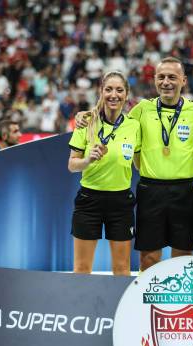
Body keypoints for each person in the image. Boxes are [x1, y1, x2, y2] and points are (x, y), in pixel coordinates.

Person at [75, 57, 193, 271]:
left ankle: (176, 303)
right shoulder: (142, 109)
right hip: (150, 190)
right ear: (154, 80)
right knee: (149, 258)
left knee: (183, 258)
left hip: (185, 191)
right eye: (161, 77)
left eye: (172, 77)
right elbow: (114, 118)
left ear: (183, 80)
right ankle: (150, 304)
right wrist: (85, 114)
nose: (166, 82)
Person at [67, 71, 141, 275]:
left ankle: (118, 308)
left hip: (121, 203)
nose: (113, 95)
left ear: (126, 94)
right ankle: (80, 308)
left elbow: (140, 165)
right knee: (82, 268)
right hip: (89, 200)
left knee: (121, 268)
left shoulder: (134, 126)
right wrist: (88, 160)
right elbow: (72, 165)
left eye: (119, 90)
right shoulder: (87, 121)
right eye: (108, 89)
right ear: (101, 92)